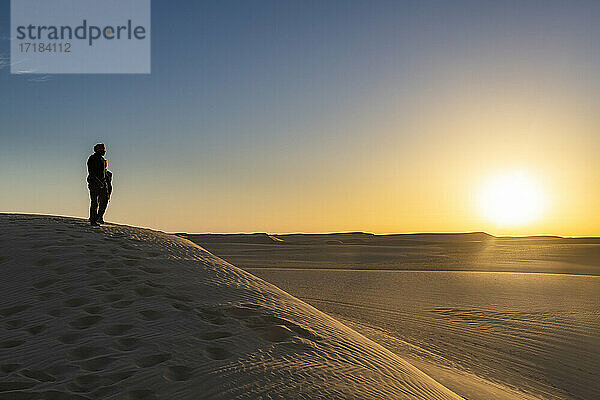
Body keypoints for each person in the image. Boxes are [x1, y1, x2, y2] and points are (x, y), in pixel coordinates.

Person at [87, 143, 111, 225]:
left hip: (102, 183)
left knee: (105, 200)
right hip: (94, 183)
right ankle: (93, 220)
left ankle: (98, 217)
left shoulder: (102, 160)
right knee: (94, 202)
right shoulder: (92, 158)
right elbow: (91, 172)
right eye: (103, 150)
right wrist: (98, 182)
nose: (104, 152)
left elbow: (103, 172)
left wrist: (106, 180)